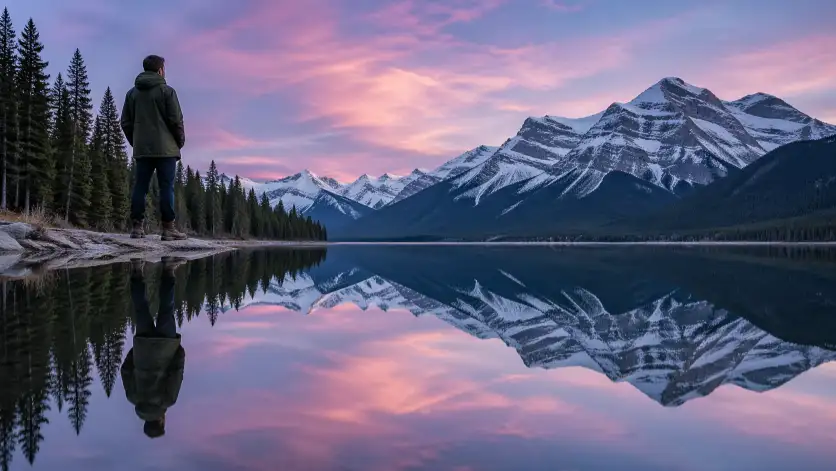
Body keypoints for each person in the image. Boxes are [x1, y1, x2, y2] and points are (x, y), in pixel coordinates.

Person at [121, 54, 188, 241]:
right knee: (166, 187)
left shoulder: (131, 94)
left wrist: (136, 142)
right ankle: (168, 229)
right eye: (164, 68)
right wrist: (179, 141)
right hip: (166, 150)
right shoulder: (167, 92)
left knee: (140, 186)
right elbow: (176, 120)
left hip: (143, 149)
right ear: (160, 70)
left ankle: (137, 227)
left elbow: (125, 122)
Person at [120, 258, 187, 439]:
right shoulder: (133, 397)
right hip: (143, 346)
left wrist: (180, 351)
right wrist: (136, 352)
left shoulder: (167, 400)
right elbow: (125, 370)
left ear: (160, 421)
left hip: (166, 345)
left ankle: (168, 270)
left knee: (167, 308)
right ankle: (136, 271)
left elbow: (177, 372)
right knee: (141, 308)